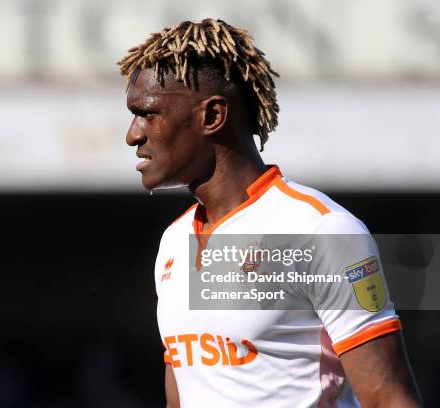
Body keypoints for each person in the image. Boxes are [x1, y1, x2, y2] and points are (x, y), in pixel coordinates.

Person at [118, 18, 422, 407]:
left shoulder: (321, 230)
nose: (133, 135)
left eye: (147, 113)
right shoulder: (174, 242)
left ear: (212, 117)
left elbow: (390, 400)